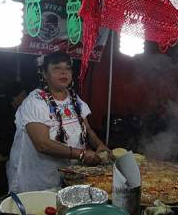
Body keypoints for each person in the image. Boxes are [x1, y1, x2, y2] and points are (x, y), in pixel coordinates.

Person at [7, 51, 110, 193]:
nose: (64, 73)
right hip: (36, 182)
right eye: (57, 68)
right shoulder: (35, 102)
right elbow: (43, 144)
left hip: (66, 178)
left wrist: (100, 145)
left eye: (67, 68)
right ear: (44, 74)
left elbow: (87, 129)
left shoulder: (75, 100)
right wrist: (81, 154)